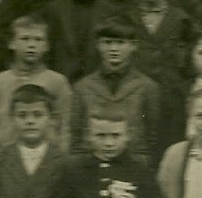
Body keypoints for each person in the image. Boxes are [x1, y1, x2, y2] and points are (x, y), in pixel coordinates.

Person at [117, 0, 196, 157]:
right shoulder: (126, 18)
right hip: (134, 93)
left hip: (170, 96)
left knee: (168, 148)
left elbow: (191, 57)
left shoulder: (181, 19)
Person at [0, 14, 73, 162]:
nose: (31, 45)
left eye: (38, 40)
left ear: (47, 46)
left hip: (45, 160)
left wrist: (61, 161)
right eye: (25, 39)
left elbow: (65, 128)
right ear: (12, 43)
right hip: (4, 160)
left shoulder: (58, 82)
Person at [69, 17, 161, 163]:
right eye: (107, 42)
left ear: (133, 46)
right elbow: (75, 138)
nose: (113, 49)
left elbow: (153, 139)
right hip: (91, 167)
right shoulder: (82, 87)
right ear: (98, 45)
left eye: (120, 43)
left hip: (133, 166)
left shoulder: (148, 87)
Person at [43, 0, 117, 83]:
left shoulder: (110, 11)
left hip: (99, 83)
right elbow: (48, 48)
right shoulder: (54, 10)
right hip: (62, 81)